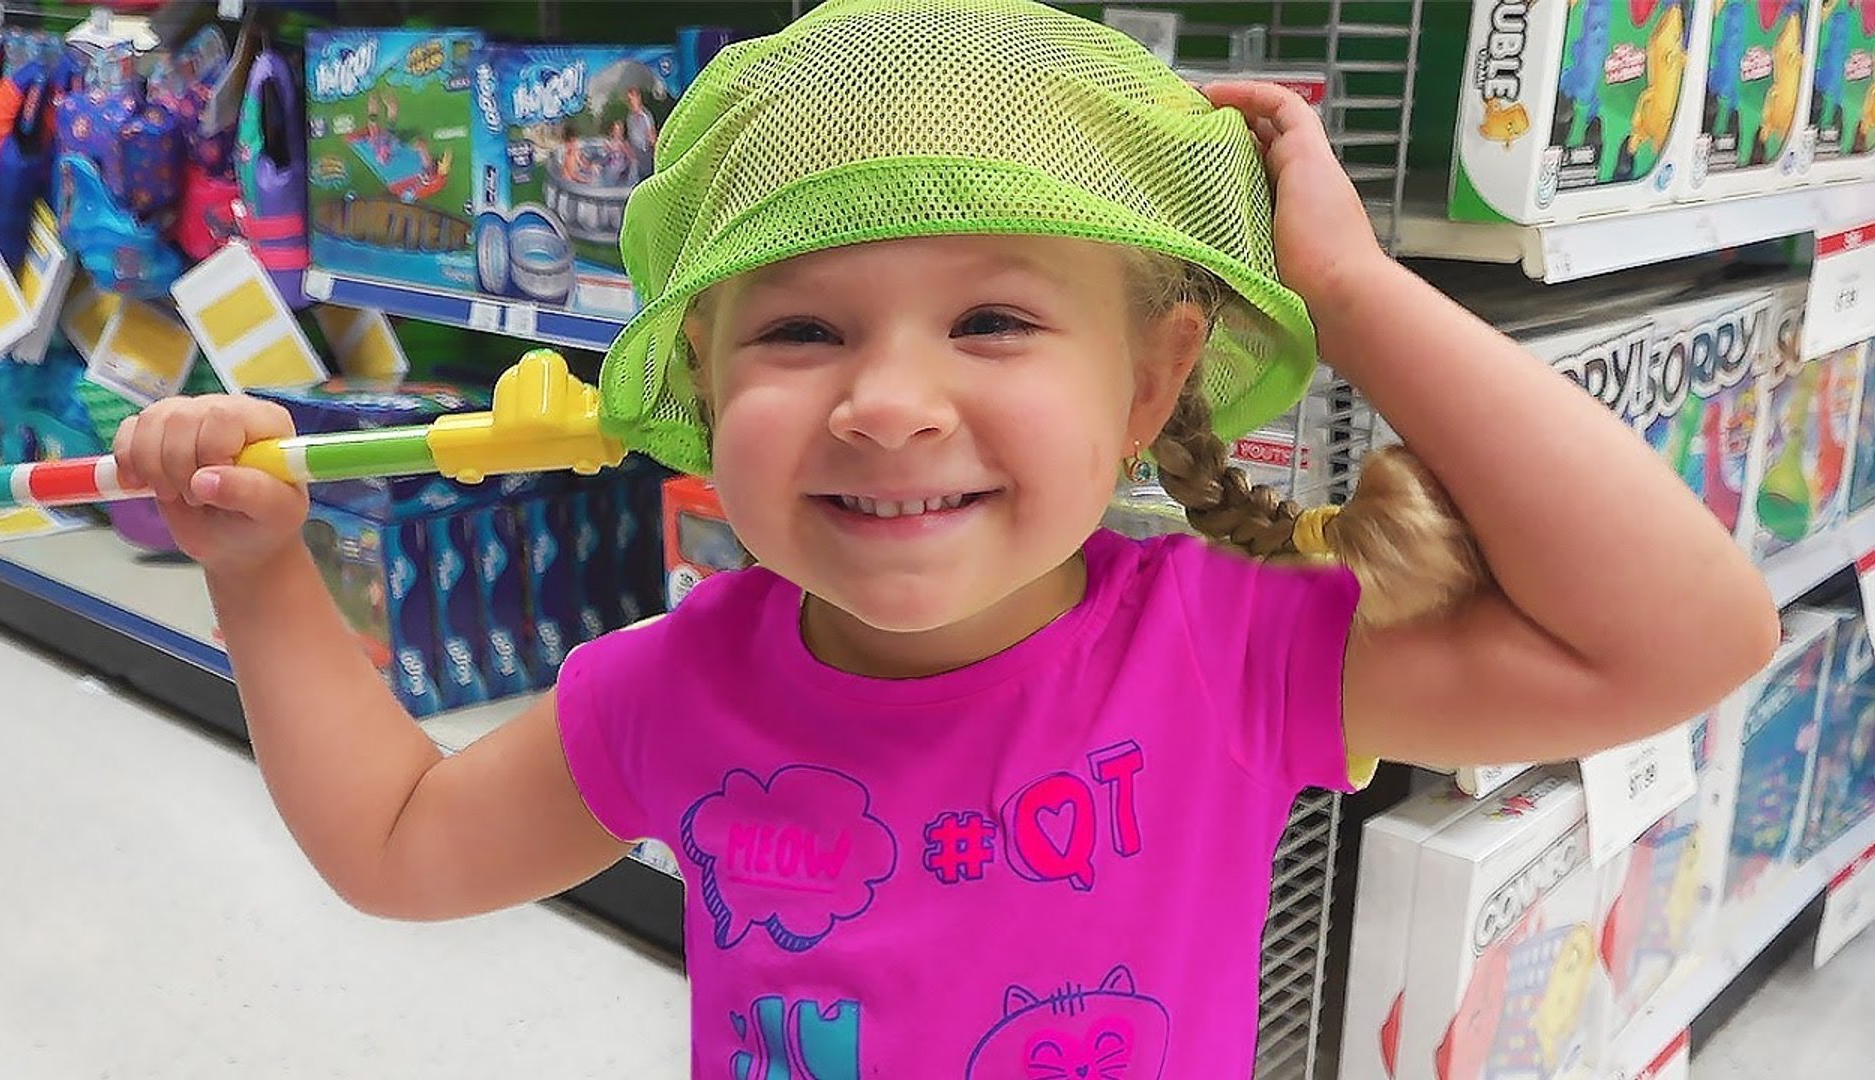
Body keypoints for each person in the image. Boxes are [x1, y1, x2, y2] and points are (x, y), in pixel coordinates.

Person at [112, 2, 1775, 1075]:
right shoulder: (676, 689)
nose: (890, 405)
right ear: (705, 380)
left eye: (992, 321)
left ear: (1152, 383)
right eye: (800, 331)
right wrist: (258, 572)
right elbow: (401, 843)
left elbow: (1682, 641)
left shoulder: (1233, 649)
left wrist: (1352, 292)